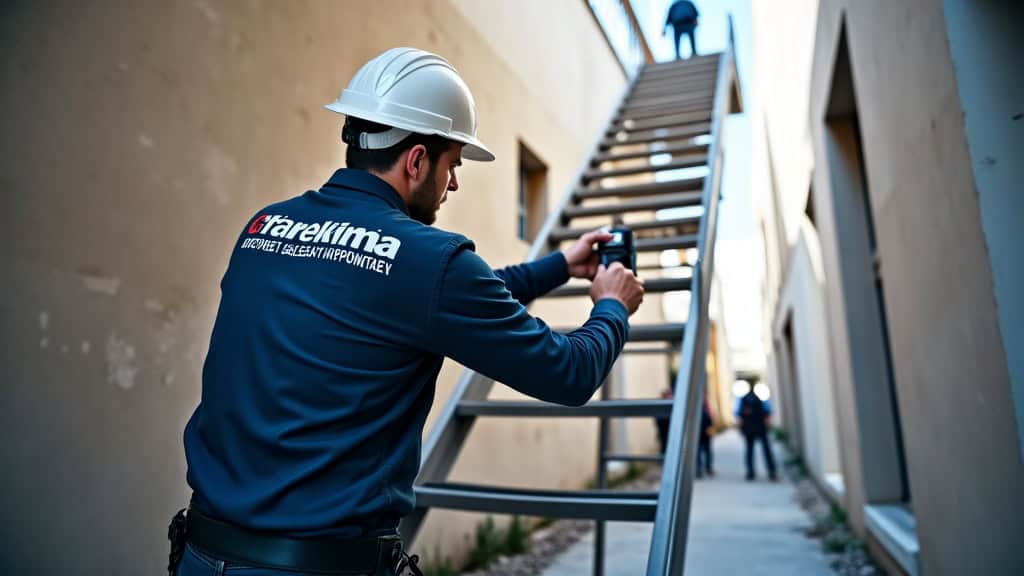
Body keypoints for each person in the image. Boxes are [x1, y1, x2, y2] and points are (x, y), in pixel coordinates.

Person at [169, 47, 645, 576]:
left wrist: (559, 266)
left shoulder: (264, 227)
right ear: (416, 160)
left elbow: (431, 301)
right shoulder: (428, 262)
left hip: (202, 557)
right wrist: (612, 306)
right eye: (453, 164)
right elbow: (569, 372)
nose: (454, 182)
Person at [735, 381, 777, 481]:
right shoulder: (761, 397)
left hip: (749, 428)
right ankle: (771, 471)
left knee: (750, 450)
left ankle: (750, 472)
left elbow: (739, 415)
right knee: (766, 450)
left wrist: (741, 428)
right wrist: (768, 424)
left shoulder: (743, 399)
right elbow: (768, 411)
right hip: (761, 427)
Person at [696, 399, 715, 478]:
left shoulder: (696, 411)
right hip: (705, 434)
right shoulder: (706, 411)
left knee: (699, 452)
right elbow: (710, 421)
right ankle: (707, 468)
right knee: (706, 451)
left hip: (699, 434)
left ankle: (700, 469)